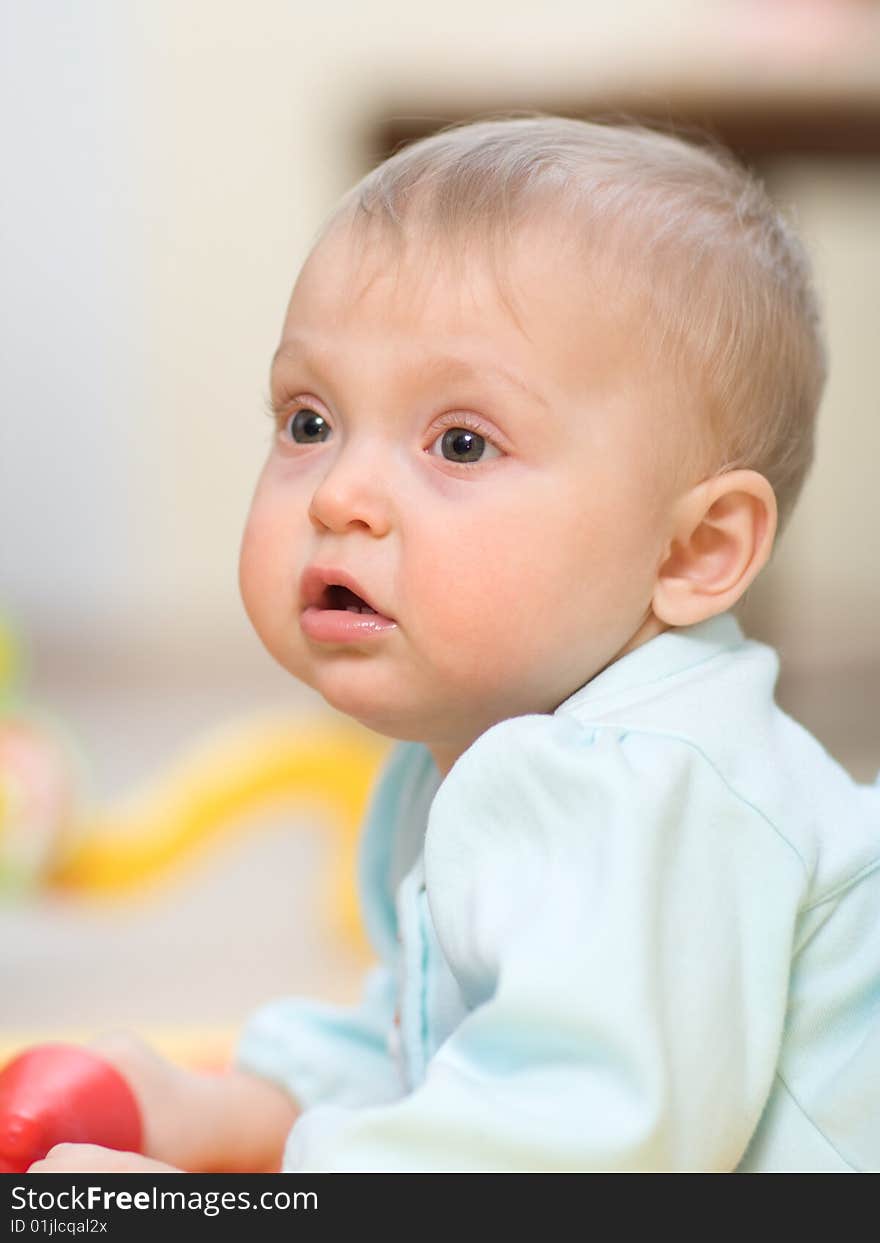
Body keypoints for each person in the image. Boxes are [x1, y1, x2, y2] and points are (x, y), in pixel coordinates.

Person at [27, 115, 880, 1173]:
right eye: (308, 421)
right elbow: (439, 1043)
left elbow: (566, 1151)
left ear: (693, 548)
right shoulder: (494, 748)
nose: (339, 493)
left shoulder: (641, 793)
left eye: (460, 442)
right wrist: (211, 1106)